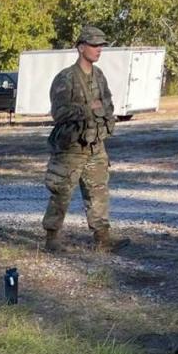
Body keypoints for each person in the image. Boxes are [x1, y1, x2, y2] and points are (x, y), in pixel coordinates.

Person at [41, 25, 127, 255]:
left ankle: (103, 239)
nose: (99, 49)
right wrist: (88, 108)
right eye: (94, 45)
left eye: (101, 45)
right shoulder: (66, 78)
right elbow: (59, 112)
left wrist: (102, 113)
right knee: (61, 192)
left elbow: (108, 103)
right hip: (71, 146)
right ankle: (52, 238)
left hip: (95, 144)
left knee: (98, 191)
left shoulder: (99, 76)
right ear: (81, 48)